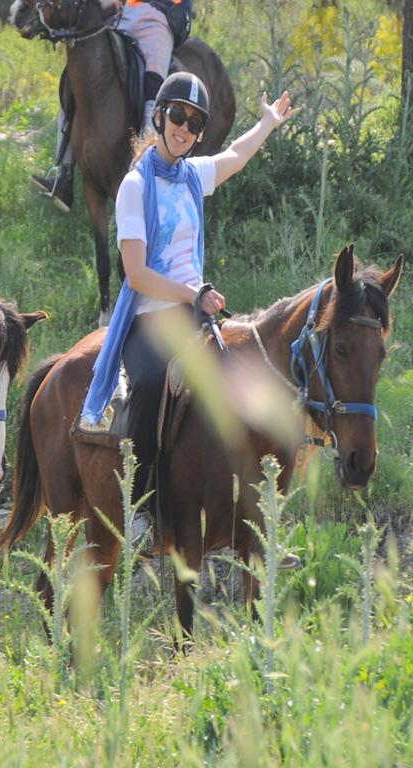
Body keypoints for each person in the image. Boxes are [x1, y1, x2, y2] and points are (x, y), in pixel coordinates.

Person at [80, 71, 295, 512]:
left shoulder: (193, 175)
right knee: (151, 382)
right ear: (159, 117)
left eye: (195, 123)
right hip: (150, 319)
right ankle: (139, 505)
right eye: (178, 115)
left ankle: (242, 508)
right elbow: (136, 275)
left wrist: (267, 123)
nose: (184, 128)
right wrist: (192, 294)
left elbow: (235, 155)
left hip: (195, 313)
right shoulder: (135, 187)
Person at [30, 0, 192, 212]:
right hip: (124, 17)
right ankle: (63, 173)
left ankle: (148, 169)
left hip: (157, 21)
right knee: (74, 81)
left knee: (154, 88)